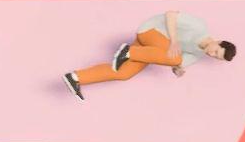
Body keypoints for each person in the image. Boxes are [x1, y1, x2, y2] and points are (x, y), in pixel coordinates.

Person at [63, 11, 235, 100]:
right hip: (151, 30)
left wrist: (177, 70)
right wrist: (174, 41)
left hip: (149, 48)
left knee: (123, 73)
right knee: (175, 56)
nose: (211, 54)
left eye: (215, 57)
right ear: (218, 41)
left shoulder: (197, 55)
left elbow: (176, 63)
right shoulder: (199, 26)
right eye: (216, 51)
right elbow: (171, 14)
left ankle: (75, 78)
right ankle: (128, 52)